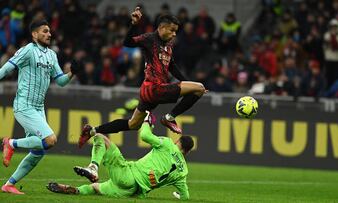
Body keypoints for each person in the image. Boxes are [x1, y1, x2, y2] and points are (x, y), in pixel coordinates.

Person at [78, 7, 206, 148]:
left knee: (132, 124)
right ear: (162, 27)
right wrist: (134, 24)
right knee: (199, 89)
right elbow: (127, 43)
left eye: (176, 31)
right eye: (172, 30)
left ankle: (91, 131)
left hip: (149, 91)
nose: (174, 34)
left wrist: (187, 82)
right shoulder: (150, 39)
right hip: (154, 88)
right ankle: (169, 118)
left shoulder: (168, 45)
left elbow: (172, 66)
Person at [0, 19, 79, 194]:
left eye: (49, 31)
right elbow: (7, 68)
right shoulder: (28, 50)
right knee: (50, 140)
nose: (49, 34)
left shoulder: (52, 55)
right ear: (34, 34)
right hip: (24, 105)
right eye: (44, 31)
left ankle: (9, 185)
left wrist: (72, 73)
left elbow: (60, 82)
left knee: (39, 151)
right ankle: (10, 143)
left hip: (38, 107)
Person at [47, 112, 193, 200]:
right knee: (95, 188)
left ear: (177, 142)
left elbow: (144, 135)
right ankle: (76, 190)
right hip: (134, 192)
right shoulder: (183, 172)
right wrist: (178, 195)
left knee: (99, 138)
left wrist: (148, 121)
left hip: (128, 175)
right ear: (187, 152)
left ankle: (93, 167)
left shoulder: (168, 144)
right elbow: (185, 197)